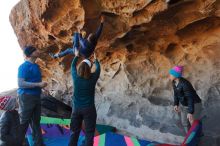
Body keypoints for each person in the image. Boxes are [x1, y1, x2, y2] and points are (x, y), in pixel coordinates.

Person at [68, 49, 101, 146]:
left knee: (74, 132)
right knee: (89, 133)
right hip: (89, 109)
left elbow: (72, 66)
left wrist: (77, 56)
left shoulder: (75, 77)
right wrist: (96, 60)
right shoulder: (93, 78)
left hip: (76, 109)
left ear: (80, 67)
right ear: (89, 68)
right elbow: (98, 69)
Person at [17, 46, 47, 146]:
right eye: (35, 50)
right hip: (26, 97)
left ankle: (39, 144)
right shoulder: (23, 66)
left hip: (36, 96)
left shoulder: (36, 66)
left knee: (36, 122)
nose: (38, 51)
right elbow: (21, 83)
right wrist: (38, 85)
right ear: (30, 54)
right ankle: (17, 143)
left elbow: (36, 81)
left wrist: (42, 87)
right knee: (24, 122)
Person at [169, 65, 202, 134]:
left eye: (171, 74)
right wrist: (176, 104)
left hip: (194, 103)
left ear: (176, 75)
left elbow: (190, 98)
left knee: (193, 121)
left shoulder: (185, 84)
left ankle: (198, 135)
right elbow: (176, 94)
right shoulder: (174, 82)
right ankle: (189, 136)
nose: (169, 76)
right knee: (184, 122)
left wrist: (190, 112)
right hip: (185, 104)